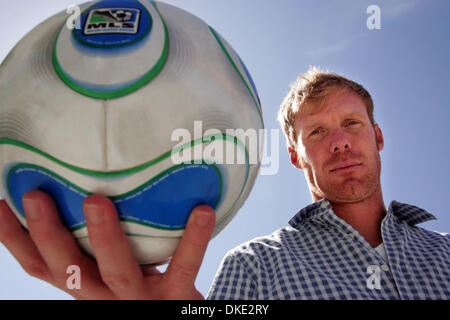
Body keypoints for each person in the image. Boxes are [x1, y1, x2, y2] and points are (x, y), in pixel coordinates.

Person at [0, 67, 448, 299]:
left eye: (352, 123)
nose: (339, 143)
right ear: (295, 156)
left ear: (378, 136)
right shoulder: (254, 267)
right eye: (317, 132)